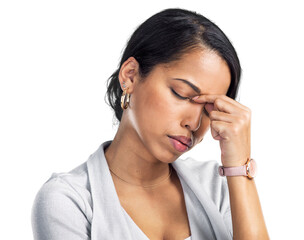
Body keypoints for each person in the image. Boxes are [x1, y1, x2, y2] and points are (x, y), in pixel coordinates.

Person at [31, 8, 269, 240]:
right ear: (131, 75)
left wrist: (238, 167)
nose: (194, 123)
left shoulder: (216, 186)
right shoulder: (69, 201)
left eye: (209, 110)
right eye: (181, 93)